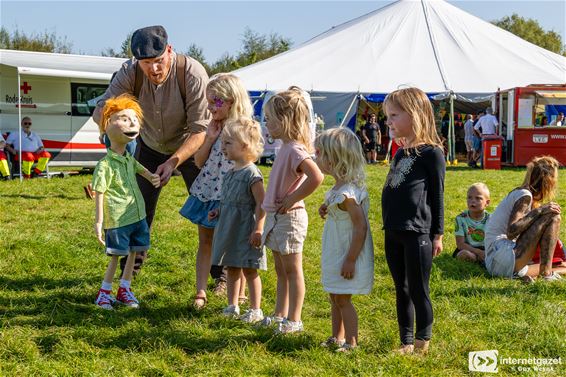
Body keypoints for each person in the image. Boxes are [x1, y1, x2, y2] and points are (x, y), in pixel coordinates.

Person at [93, 25, 209, 277]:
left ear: (169, 50)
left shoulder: (192, 73)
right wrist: (110, 121)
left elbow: (201, 130)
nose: (153, 69)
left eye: (158, 61)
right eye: (146, 63)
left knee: (208, 210)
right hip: (149, 147)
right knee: (135, 210)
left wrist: (173, 162)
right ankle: (128, 273)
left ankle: (221, 276)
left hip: (190, 148)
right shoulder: (130, 72)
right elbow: (103, 108)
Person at [179, 73, 254, 309]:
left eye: (215, 102)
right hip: (208, 191)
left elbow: (249, 161)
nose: (210, 108)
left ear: (231, 100)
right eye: (208, 102)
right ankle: (201, 291)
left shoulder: (244, 128)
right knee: (205, 241)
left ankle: (238, 293)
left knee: (235, 243)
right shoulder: (213, 127)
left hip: (234, 194)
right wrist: (210, 138)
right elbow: (199, 162)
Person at [381, 87, 445, 355]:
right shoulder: (399, 153)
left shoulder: (432, 153)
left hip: (417, 232)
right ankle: (405, 341)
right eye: (387, 116)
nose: (389, 122)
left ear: (415, 115)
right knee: (401, 288)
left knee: (419, 288)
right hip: (393, 230)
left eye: (394, 115)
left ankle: (422, 340)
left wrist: (437, 235)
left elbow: (438, 196)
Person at [260, 87, 324, 334]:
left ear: (284, 120)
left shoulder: (296, 149)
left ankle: (294, 319)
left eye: (269, 120)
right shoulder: (285, 147)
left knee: (292, 269)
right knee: (280, 269)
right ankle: (280, 313)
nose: (266, 125)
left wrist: (293, 198)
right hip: (278, 217)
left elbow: (316, 176)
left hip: (290, 217)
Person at [92, 94, 160, 310]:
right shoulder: (105, 165)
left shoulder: (129, 159)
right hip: (118, 218)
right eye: (124, 118)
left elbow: (140, 169)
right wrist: (99, 222)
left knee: (134, 251)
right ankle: (104, 292)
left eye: (134, 119)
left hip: (137, 214)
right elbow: (100, 192)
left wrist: (151, 176)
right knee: (116, 255)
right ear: (107, 126)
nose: (132, 123)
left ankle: (124, 288)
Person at [315, 127, 374, 352]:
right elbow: (336, 206)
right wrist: (325, 207)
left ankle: (351, 342)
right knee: (334, 295)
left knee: (343, 299)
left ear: (334, 159)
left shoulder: (348, 193)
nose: (316, 157)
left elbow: (360, 227)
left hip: (346, 250)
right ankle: (336, 337)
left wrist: (350, 259)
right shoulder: (338, 188)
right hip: (336, 247)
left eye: (320, 153)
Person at [209, 117, 267, 322]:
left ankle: (255, 308)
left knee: (250, 269)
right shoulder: (230, 172)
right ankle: (232, 305)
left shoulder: (252, 173)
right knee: (232, 266)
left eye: (228, 143)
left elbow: (262, 202)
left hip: (246, 228)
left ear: (244, 146)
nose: (223, 147)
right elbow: (229, 198)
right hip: (230, 226)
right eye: (222, 142)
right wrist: (219, 210)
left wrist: (258, 228)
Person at [484, 156, 566, 281]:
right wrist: (539, 211)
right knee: (553, 215)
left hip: (498, 260)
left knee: (562, 267)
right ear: (548, 180)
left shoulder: (523, 193)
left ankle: (542, 273)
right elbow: (511, 231)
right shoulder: (525, 195)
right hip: (501, 255)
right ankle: (547, 274)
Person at [454, 183, 491, 264]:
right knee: (463, 254)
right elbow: (460, 244)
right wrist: (477, 251)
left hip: (486, 249)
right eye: (469, 197)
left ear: (487, 203)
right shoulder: (460, 218)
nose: (473, 201)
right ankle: (478, 259)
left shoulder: (491, 219)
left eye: (478, 198)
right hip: (468, 248)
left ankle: (483, 259)